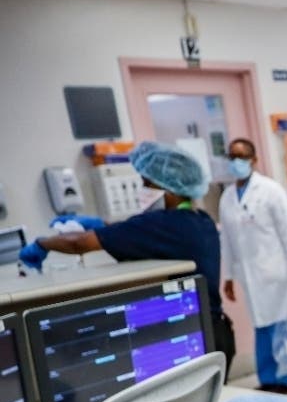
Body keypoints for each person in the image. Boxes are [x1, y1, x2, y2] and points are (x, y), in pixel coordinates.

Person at [18, 142, 235, 371]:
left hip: (194, 337)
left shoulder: (162, 224)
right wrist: (101, 225)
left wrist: (42, 244)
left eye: (146, 183)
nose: (141, 188)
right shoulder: (199, 219)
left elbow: (79, 243)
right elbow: (134, 231)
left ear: (169, 189)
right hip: (216, 332)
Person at [220, 138, 287, 394]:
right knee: (261, 328)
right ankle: (269, 379)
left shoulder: (271, 190)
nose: (236, 162)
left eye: (241, 156)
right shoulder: (227, 197)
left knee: (283, 328)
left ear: (254, 160)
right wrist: (227, 277)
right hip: (250, 277)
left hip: (278, 272)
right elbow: (226, 241)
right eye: (232, 156)